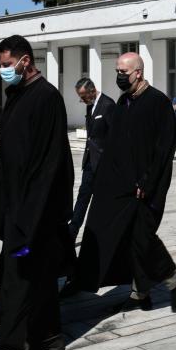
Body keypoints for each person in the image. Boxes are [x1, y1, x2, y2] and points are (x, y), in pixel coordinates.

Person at [74, 52, 176, 309]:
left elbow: (163, 149)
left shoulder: (158, 102)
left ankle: (174, 279)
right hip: (125, 186)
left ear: (138, 73)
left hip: (149, 186)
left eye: (123, 72)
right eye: (117, 71)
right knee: (129, 237)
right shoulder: (124, 102)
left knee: (142, 236)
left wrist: (147, 182)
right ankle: (141, 292)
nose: (119, 76)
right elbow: (116, 145)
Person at [0, 35, 75, 350]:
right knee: (39, 274)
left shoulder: (46, 97)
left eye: (8, 65)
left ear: (25, 61)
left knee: (18, 278)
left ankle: (17, 347)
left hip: (35, 207)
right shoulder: (16, 95)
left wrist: (29, 215)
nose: (4, 72)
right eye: (1, 67)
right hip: (16, 203)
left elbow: (49, 162)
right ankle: (50, 334)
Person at [69, 78, 115, 240]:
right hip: (90, 162)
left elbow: (115, 137)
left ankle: (106, 233)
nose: (82, 100)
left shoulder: (108, 105)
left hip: (104, 164)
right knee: (82, 197)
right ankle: (72, 232)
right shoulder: (90, 106)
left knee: (103, 201)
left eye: (83, 96)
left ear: (92, 90)